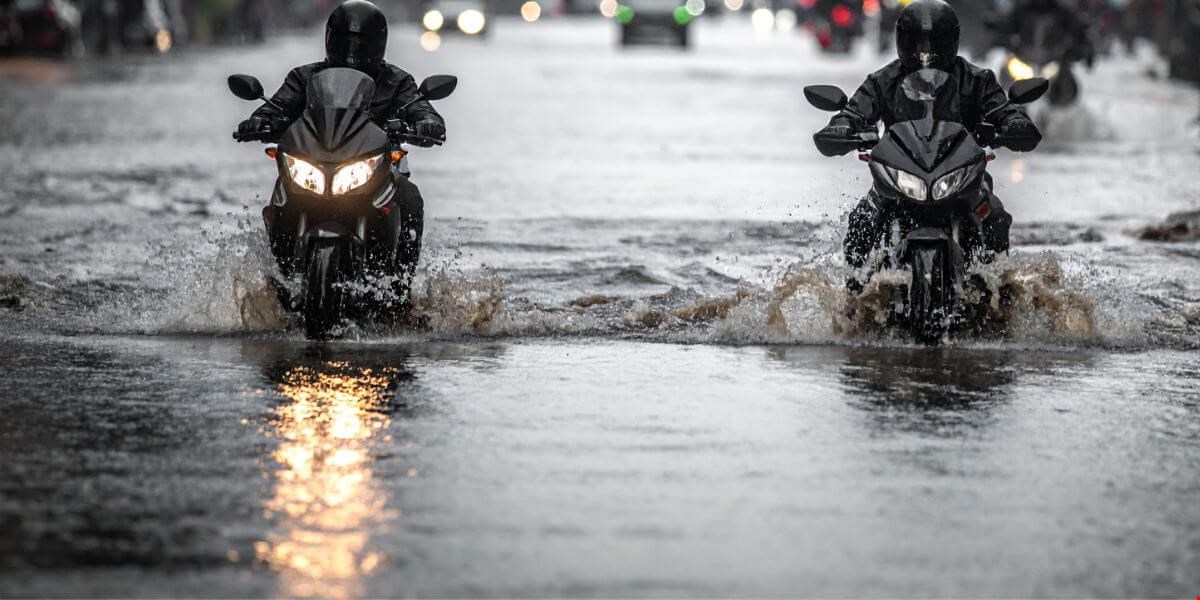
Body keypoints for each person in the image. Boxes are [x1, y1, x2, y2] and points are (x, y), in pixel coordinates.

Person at [815, 0, 1042, 272]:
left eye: (936, 42)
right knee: (862, 222)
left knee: (995, 217)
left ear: (952, 41)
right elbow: (855, 110)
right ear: (901, 40)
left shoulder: (977, 79)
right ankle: (854, 289)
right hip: (899, 176)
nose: (926, 51)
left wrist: (1013, 122)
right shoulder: (883, 80)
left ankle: (998, 285)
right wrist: (843, 126)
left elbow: (1001, 108)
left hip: (963, 175)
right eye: (916, 42)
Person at [235, 0, 446, 149]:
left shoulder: (397, 81)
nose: (352, 49)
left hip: (376, 162)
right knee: (282, 185)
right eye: (345, 41)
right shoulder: (303, 78)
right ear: (330, 38)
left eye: (363, 43)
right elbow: (279, 105)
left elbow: (419, 107)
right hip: (312, 158)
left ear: (379, 43)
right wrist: (261, 120)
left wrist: (427, 123)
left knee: (409, 195)